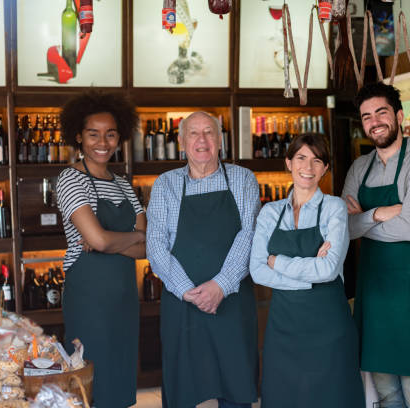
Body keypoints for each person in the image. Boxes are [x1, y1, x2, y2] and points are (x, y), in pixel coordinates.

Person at [146, 111, 259, 408]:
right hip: (183, 302)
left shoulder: (242, 178)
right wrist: (189, 291)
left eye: (209, 132)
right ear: (182, 142)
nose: (202, 140)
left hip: (232, 301)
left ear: (220, 140)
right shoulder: (166, 184)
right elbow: (156, 245)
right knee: (182, 389)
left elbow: (249, 235)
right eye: (193, 133)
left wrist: (220, 285)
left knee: (236, 387)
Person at [342, 81, 410, 408]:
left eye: (381, 112)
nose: (374, 121)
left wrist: (363, 220)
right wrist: (382, 213)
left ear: (399, 115)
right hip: (375, 290)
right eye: (367, 116)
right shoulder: (359, 167)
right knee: (385, 392)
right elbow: (342, 227)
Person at [250, 133, 365, 408]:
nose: (308, 167)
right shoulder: (269, 212)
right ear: (288, 162)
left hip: (329, 328)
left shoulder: (334, 208)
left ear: (325, 168)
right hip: (283, 329)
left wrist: (277, 262)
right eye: (301, 158)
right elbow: (256, 270)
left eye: (317, 160)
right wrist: (308, 272)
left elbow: (327, 269)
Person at [56, 91, 146, 408]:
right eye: (93, 134)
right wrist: (128, 236)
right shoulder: (70, 180)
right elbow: (99, 240)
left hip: (124, 297)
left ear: (119, 136)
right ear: (78, 136)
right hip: (88, 299)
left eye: (110, 134)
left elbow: (145, 245)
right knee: (89, 380)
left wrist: (110, 241)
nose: (102, 142)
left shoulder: (122, 183)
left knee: (119, 377)